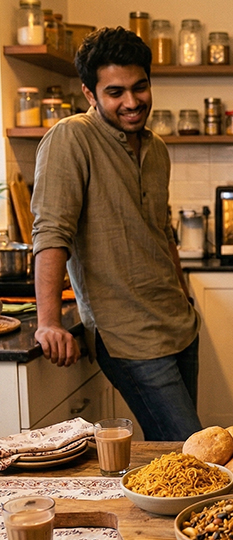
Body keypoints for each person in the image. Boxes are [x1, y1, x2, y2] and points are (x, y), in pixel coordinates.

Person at [30, 27, 202, 442]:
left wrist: (184, 296)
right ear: (89, 94)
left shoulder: (156, 148)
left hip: (180, 326)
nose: (131, 101)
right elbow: (51, 232)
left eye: (139, 87)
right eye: (115, 92)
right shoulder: (70, 138)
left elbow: (162, 231)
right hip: (127, 335)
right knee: (191, 451)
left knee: (180, 455)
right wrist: (48, 323)